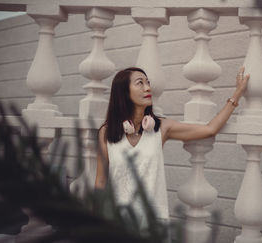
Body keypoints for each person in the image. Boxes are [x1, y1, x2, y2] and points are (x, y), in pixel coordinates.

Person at [94, 66, 249, 228]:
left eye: (148, 82)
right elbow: (100, 180)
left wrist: (237, 93)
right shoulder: (106, 133)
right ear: (124, 92)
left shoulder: (161, 127)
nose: (148, 87)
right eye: (140, 83)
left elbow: (210, 130)